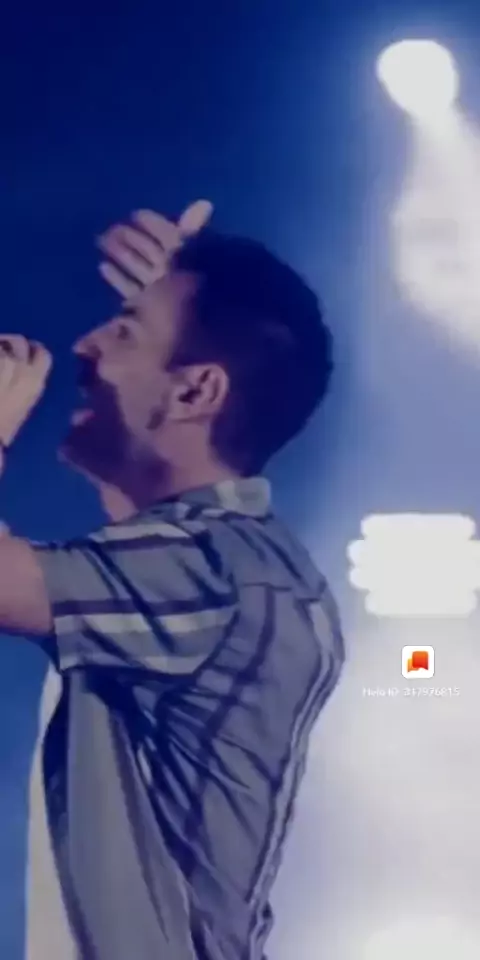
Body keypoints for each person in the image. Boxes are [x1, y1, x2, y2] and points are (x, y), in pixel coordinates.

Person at [0, 201, 345, 960]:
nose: (84, 346)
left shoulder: (212, 570)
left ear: (194, 394)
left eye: (122, 331)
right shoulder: (229, 563)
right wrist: (184, 298)